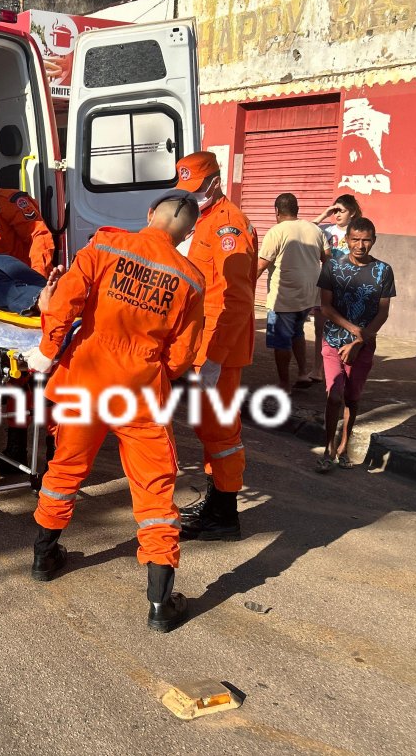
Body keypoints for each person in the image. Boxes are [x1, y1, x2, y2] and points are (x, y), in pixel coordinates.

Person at [21, 191, 204, 633]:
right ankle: (160, 603)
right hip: (140, 391)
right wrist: (150, 366)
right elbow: (182, 356)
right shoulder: (192, 280)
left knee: (65, 468)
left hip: (86, 378)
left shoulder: (105, 245)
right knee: (154, 489)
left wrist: (46, 351)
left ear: (150, 215)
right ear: (188, 233)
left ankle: (44, 557)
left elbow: (64, 302)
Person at [165, 152, 258, 541]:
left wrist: (215, 358)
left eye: (197, 188)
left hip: (219, 347)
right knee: (207, 427)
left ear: (216, 183)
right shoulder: (201, 220)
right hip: (200, 345)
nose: (191, 196)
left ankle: (224, 513)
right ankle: (216, 502)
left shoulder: (227, 227)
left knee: (220, 430)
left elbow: (236, 299)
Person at [315, 218, 396, 472]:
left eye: (366, 240)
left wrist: (360, 341)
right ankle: (328, 448)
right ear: (347, 240)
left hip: (364, 345)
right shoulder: (332, 267)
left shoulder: (383, 271)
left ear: (374, 241)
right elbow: (326, 308)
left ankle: (344, 447)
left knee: (352, 397)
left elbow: (383, 312)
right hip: (333, 340)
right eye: (355, 239)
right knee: (334, 395)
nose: (360, 245)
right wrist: (354, 331)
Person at [257, 193, 331, 393]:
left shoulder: (276, 231)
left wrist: (243, 287)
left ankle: (284, 384)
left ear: (277, 211)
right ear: (297, 209)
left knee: (281, 341)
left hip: (283, 298)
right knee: (297, 333)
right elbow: (327, 259)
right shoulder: (314, 229)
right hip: (308, 296)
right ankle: (303, 373)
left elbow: (261, 265)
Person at [310, 194, 362, 381]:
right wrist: (325, 214)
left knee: (345, 329)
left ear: (352, 212)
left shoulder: (357, 231)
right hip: (326, 285)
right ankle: (317, 369)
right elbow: (308, 229)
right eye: (335, 211)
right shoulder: (327, 230)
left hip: (348, 287)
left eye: (342, 211)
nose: (337, 214)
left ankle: (341, 368)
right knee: (320, 329)